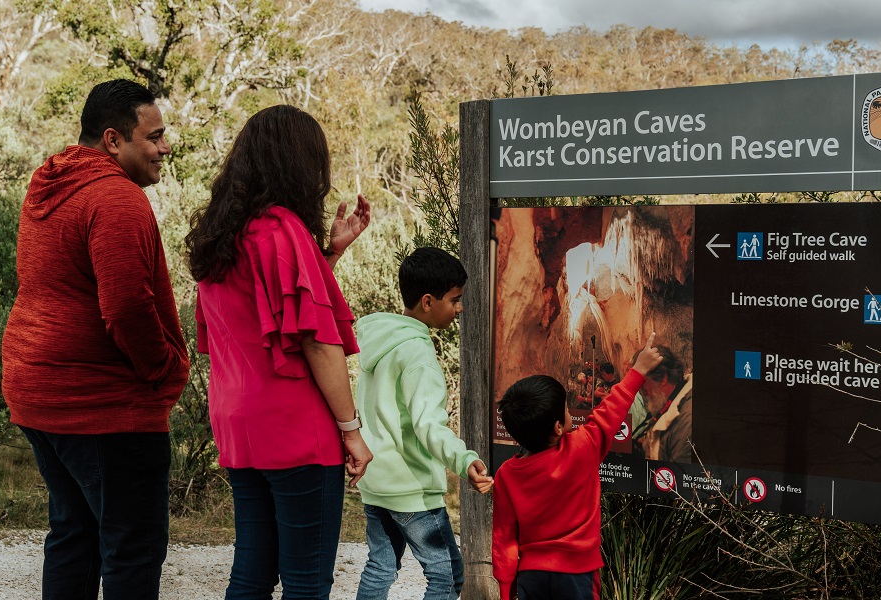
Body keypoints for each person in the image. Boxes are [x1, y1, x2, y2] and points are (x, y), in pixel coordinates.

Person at [1, 78, 190, 599]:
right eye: (153, 138)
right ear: (113, 139)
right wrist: (165, 370)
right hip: (102, 405)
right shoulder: (116, 199)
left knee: (74, 536)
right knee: (133, 548)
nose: (164, 147)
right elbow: (127, 307)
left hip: (39, 394)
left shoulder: (50, 182)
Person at [185, 104, 373, 599]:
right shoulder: (282, 229)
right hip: (295, 430)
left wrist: (330, 253)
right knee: (307, 580)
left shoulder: (222, 237)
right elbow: (315, 338)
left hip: (240, 428)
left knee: (251, 573)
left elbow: (269, 311)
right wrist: (351, 431)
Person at [355, 247, 494, 600]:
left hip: (376, 483)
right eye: (455, 299)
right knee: (447, 575)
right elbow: (428, 425)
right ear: (429, 301)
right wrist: (464, 460)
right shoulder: (417, 352)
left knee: (381, 566)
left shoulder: (381, 342)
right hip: (411, 489)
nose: (459, 308)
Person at [492, 334, 663, 600]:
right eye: (566, 410)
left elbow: (504, 538)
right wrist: (639, 369)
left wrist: (506, 591)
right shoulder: (583, 447)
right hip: (577, 572)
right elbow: (610, 412)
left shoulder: (506, 475)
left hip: (531, 574)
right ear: (558, 427)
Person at [633, 345, 692, 463]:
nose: (642, 392)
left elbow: (677, 477)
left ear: (663, 378)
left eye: (643, 384)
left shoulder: (687, 421)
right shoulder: (671, 403)